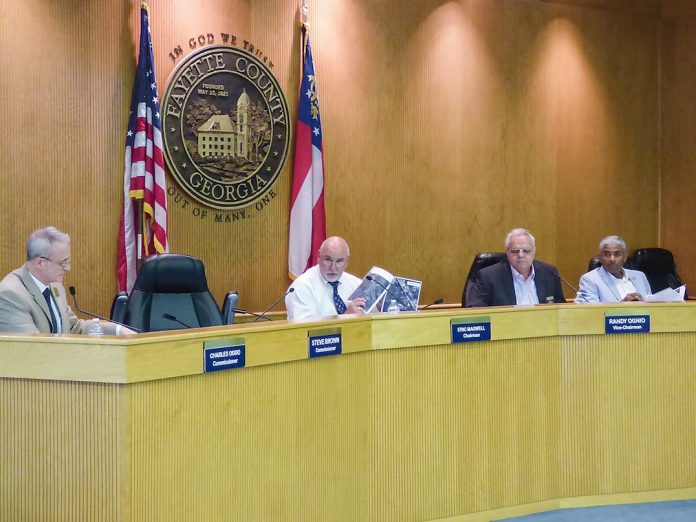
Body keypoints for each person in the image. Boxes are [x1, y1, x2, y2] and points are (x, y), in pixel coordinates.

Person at [0, 227, 131, 335]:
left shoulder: (55, 286)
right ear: (40, 262)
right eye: (63, 263)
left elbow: (74, 328)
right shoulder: (11, 295)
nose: (68, 268)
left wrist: (118, 330)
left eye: (68, 261)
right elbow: (32, 349)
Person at [466, 228, 565, 307]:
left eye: (526, 250)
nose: (521, 255)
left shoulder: (550, 274)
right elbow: (474, 309)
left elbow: (561, 309)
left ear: (534, 251)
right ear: (508, 251)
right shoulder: (488, 277)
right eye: (515, 251)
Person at [286, 236, 366, 320]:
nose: (333, 268)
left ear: (346, 262)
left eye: (339, 261)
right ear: (319, 257)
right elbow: (307, 330)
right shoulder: (302, 287)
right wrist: (346, 317)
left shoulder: (355, 283)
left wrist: (379, 306)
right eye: (328, 260)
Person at [575, 235, 651, 303]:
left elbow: (652, 304)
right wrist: (622, 306)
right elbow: (590, 312)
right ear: (600, 257)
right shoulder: (590, 279)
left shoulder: (640, 276)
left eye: (617, 254)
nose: (612, 259)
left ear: (625, 257)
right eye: (607, 254)